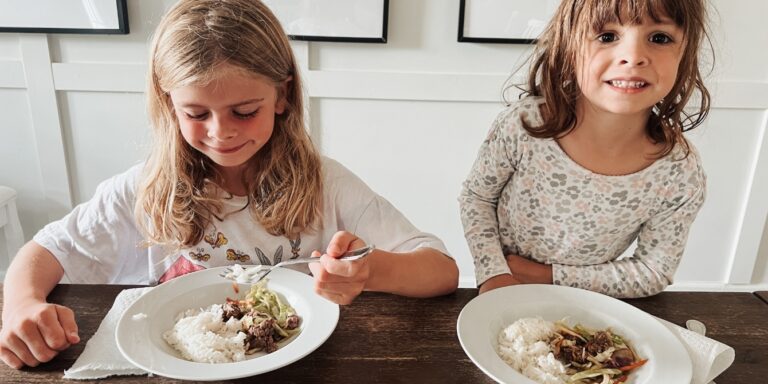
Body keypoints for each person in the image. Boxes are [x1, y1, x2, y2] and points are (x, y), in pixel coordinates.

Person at [0, 0, 458, 369]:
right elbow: (45, 251)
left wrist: (370, 271)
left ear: (282, 95)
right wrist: (20, 305)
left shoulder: (326, 184)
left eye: (244, 111)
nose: (222, 132)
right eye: (196, 114)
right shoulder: (146, 187)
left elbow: (441, 271)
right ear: (169, 105)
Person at [459, 0, 711, 299]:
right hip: (505, 292)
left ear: (685, 55)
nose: (633, 57)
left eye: (659, 38)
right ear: (569, 48)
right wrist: (493, 273)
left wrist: (548, 276)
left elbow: (653, 271)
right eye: (607, 37)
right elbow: (477, 198)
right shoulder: (524, 126)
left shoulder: (679, 172)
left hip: (588, 307)